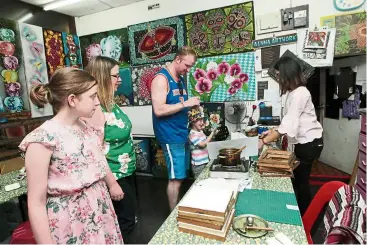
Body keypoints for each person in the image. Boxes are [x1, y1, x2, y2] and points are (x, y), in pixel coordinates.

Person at [19, 68, 124, 244]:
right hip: (71, 219)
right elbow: (36, 204)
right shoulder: (42, 139)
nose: (97, 102)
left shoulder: (84, 126)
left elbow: (98, 160)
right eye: (92, 96)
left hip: (99, 209)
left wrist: (111, 184)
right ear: (73, 100)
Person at [258, 56, 324, 215]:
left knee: (302, 181)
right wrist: (272, 130)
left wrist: (263, 141)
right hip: (305, 142)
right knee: (298, 179)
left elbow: (289, 123)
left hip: (310, 143)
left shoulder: (300, 93)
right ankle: (299, 210)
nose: (279, 78)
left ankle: (304, 217)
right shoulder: (293, 92)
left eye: (280, 74)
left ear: (288, 73)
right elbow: (287, 121)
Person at [85, 56, 137, 243]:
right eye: (116, 75)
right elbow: (95, 151)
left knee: (127, 219)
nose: (120, 79)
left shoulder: (110, 103)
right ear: (102, 77)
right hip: (113, 176)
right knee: (124, 223)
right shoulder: (95, 108)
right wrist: (112, 183)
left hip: (124, 172)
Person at [151, 46, 200, 211]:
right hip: (171, 136)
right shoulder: (161, 79)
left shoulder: (180, 78)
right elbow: (159, 110)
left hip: (182, 133)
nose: (188, 70)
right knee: (175, 179)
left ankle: (179, 208)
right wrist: (186, 103)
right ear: (178, 59)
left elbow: (179, 106)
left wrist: (193, 113)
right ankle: (173, 217)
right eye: (187, 65)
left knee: (181, 176)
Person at [188, 106, 217, 179]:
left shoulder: (200, 132)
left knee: (205, 180)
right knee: (199, 182)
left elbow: (206, 141)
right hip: (198, 165)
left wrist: (213, 135)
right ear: (193, 122)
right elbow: (202, 145)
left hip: (205, 161)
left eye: (202, 121)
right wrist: (212, 134)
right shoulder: (192, 134)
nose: (202, 123)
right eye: (200, 121)